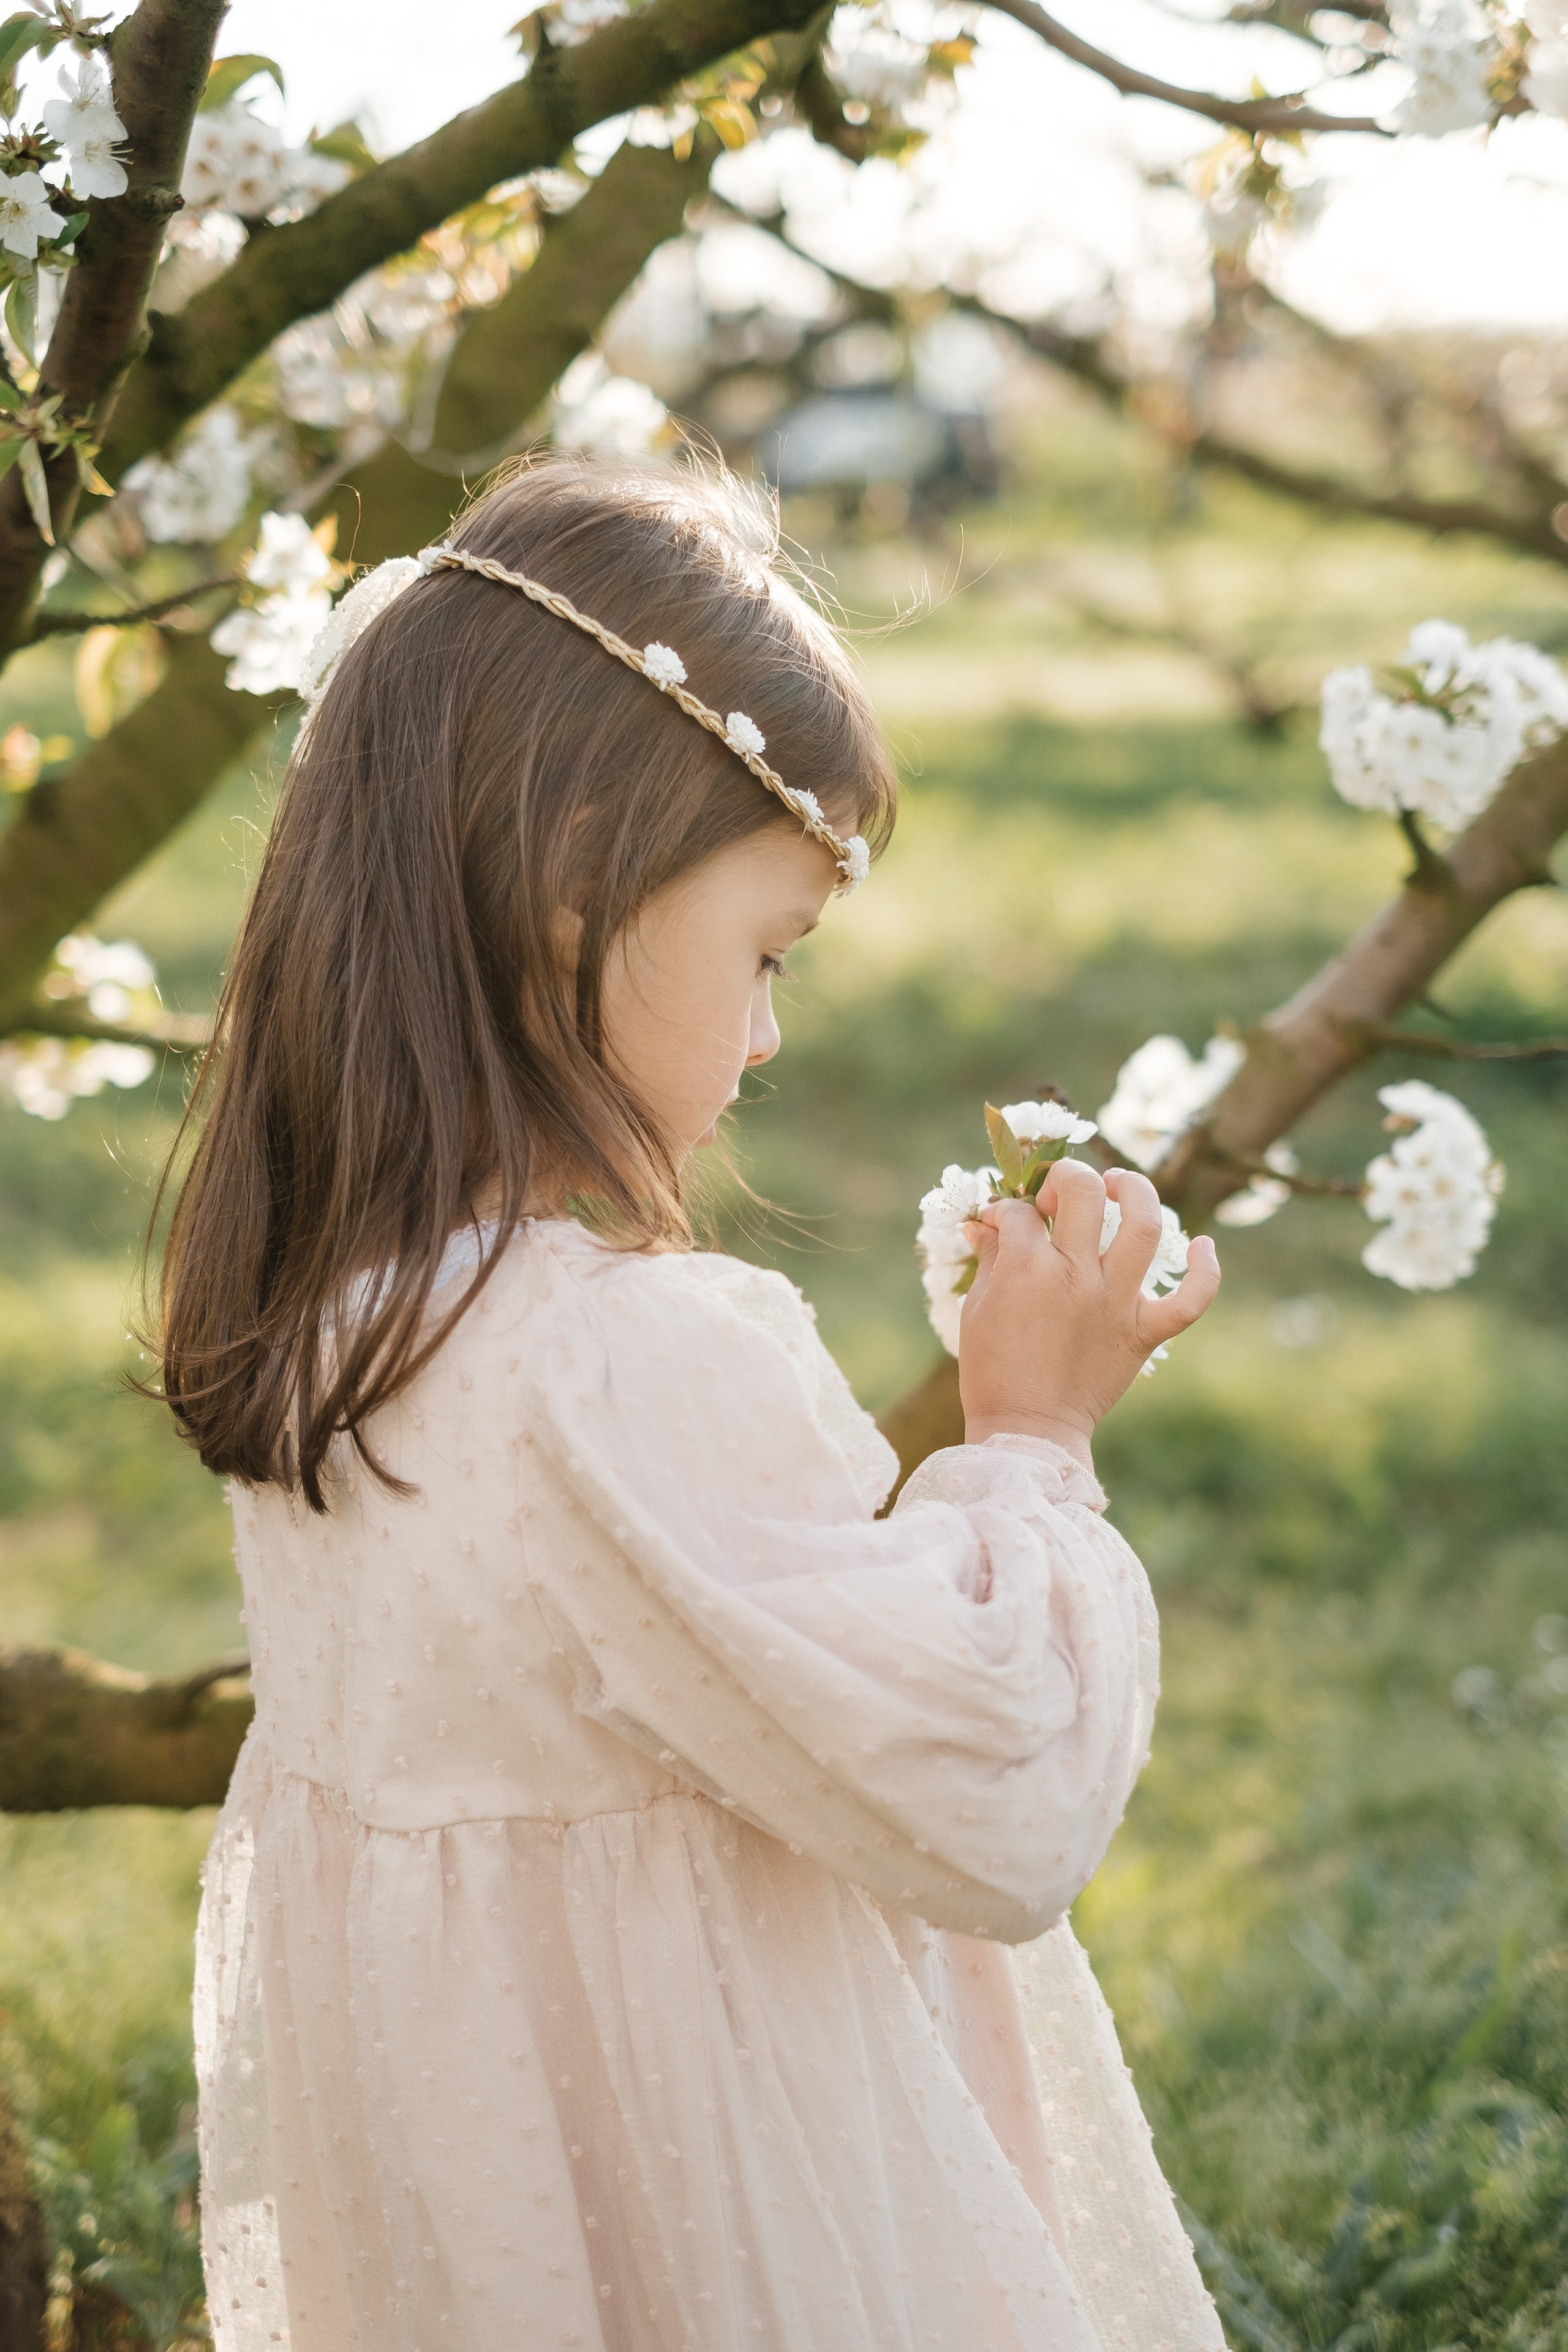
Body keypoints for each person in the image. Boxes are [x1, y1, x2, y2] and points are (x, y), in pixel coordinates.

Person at [155, 457, 1224, 2352]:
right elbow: (994, 1800)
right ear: (579, 890)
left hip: (488, 2235)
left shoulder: (328, 1337)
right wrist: (1033, 1443)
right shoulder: (632, 1359)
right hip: (735, 2222)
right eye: (765, 953)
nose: (769, 1031)